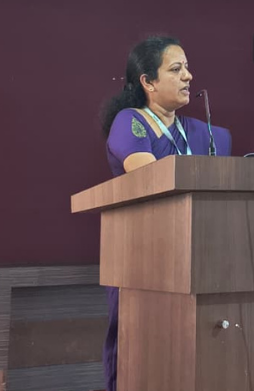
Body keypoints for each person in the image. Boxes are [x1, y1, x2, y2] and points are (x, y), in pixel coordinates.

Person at [100, 35, 231, 391]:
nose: (188, 76)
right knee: (141, 353)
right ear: (148, 81)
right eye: (175, 69)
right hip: (142, 258)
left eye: (187, 68)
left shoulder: (203, 133)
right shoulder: (131, 122)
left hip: (197, 258)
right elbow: (150, 179)